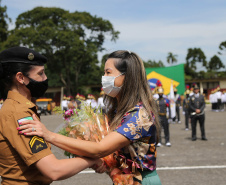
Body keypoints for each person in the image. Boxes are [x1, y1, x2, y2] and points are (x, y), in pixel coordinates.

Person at [18, 50, 162, 185]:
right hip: (124, 179)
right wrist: (106, 163)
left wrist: (49, 135)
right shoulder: (119, 111)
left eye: (108, 72)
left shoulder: (138, 115)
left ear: (127, 77)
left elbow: (100, 148)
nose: (104, 77)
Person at [0, 46, 104, 185]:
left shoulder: (20, 108)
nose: (45, 78)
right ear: (21, 77)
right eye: (40, 73)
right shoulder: (18, 113)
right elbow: (53, 170)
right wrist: (92, 159)